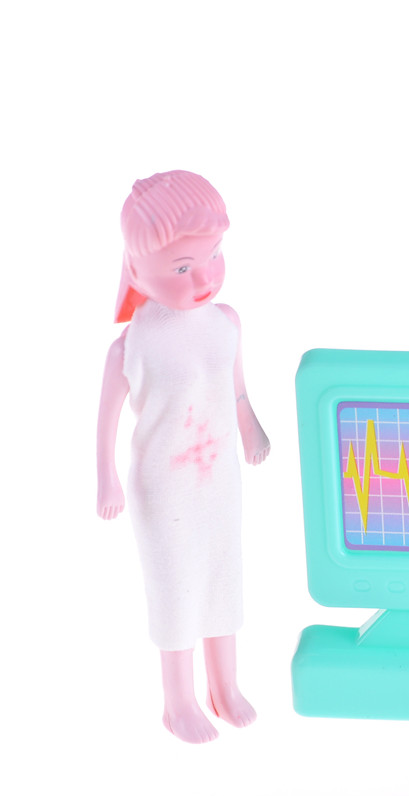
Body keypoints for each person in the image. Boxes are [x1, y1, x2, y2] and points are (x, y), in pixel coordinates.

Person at [96, 170, 270, 744]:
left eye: (214, 256)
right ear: (135, 270)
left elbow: (235, 389)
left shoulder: (226, 324)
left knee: (222, 576)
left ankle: (226, 686)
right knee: (176, 587)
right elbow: (107, 421)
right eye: (181, 268)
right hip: (162, 487)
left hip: (219, 480)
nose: (205, 278)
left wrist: (250, 429)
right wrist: (107, 478)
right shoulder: (132, 346)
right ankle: (178, 701)